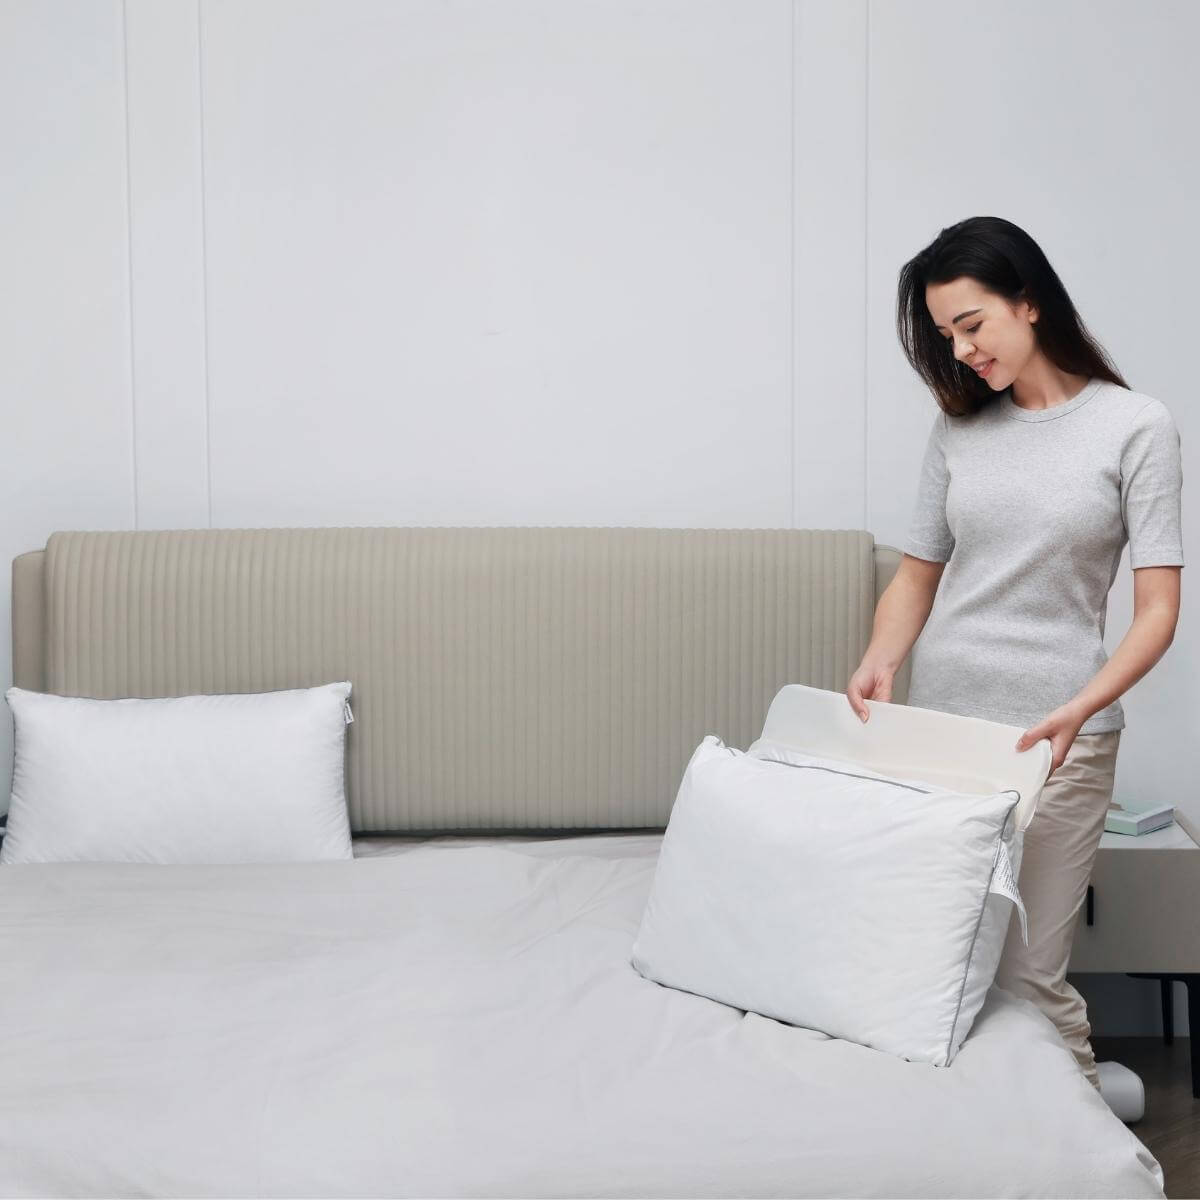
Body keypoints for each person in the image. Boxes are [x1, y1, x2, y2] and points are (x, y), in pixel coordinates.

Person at [846, 216, 1184, 1094]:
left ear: (1029, 302)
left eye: (972, 325)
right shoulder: (960, 431)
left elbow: (1156, 613)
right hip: (946, 733)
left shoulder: (1136, 428)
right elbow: (918, 576)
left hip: (1058, 738)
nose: (960, 352)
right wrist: (882, 659)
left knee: (1028, 973)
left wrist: (1080, 706)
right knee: (941, 955)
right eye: (946, 334)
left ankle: (1085, 1148)